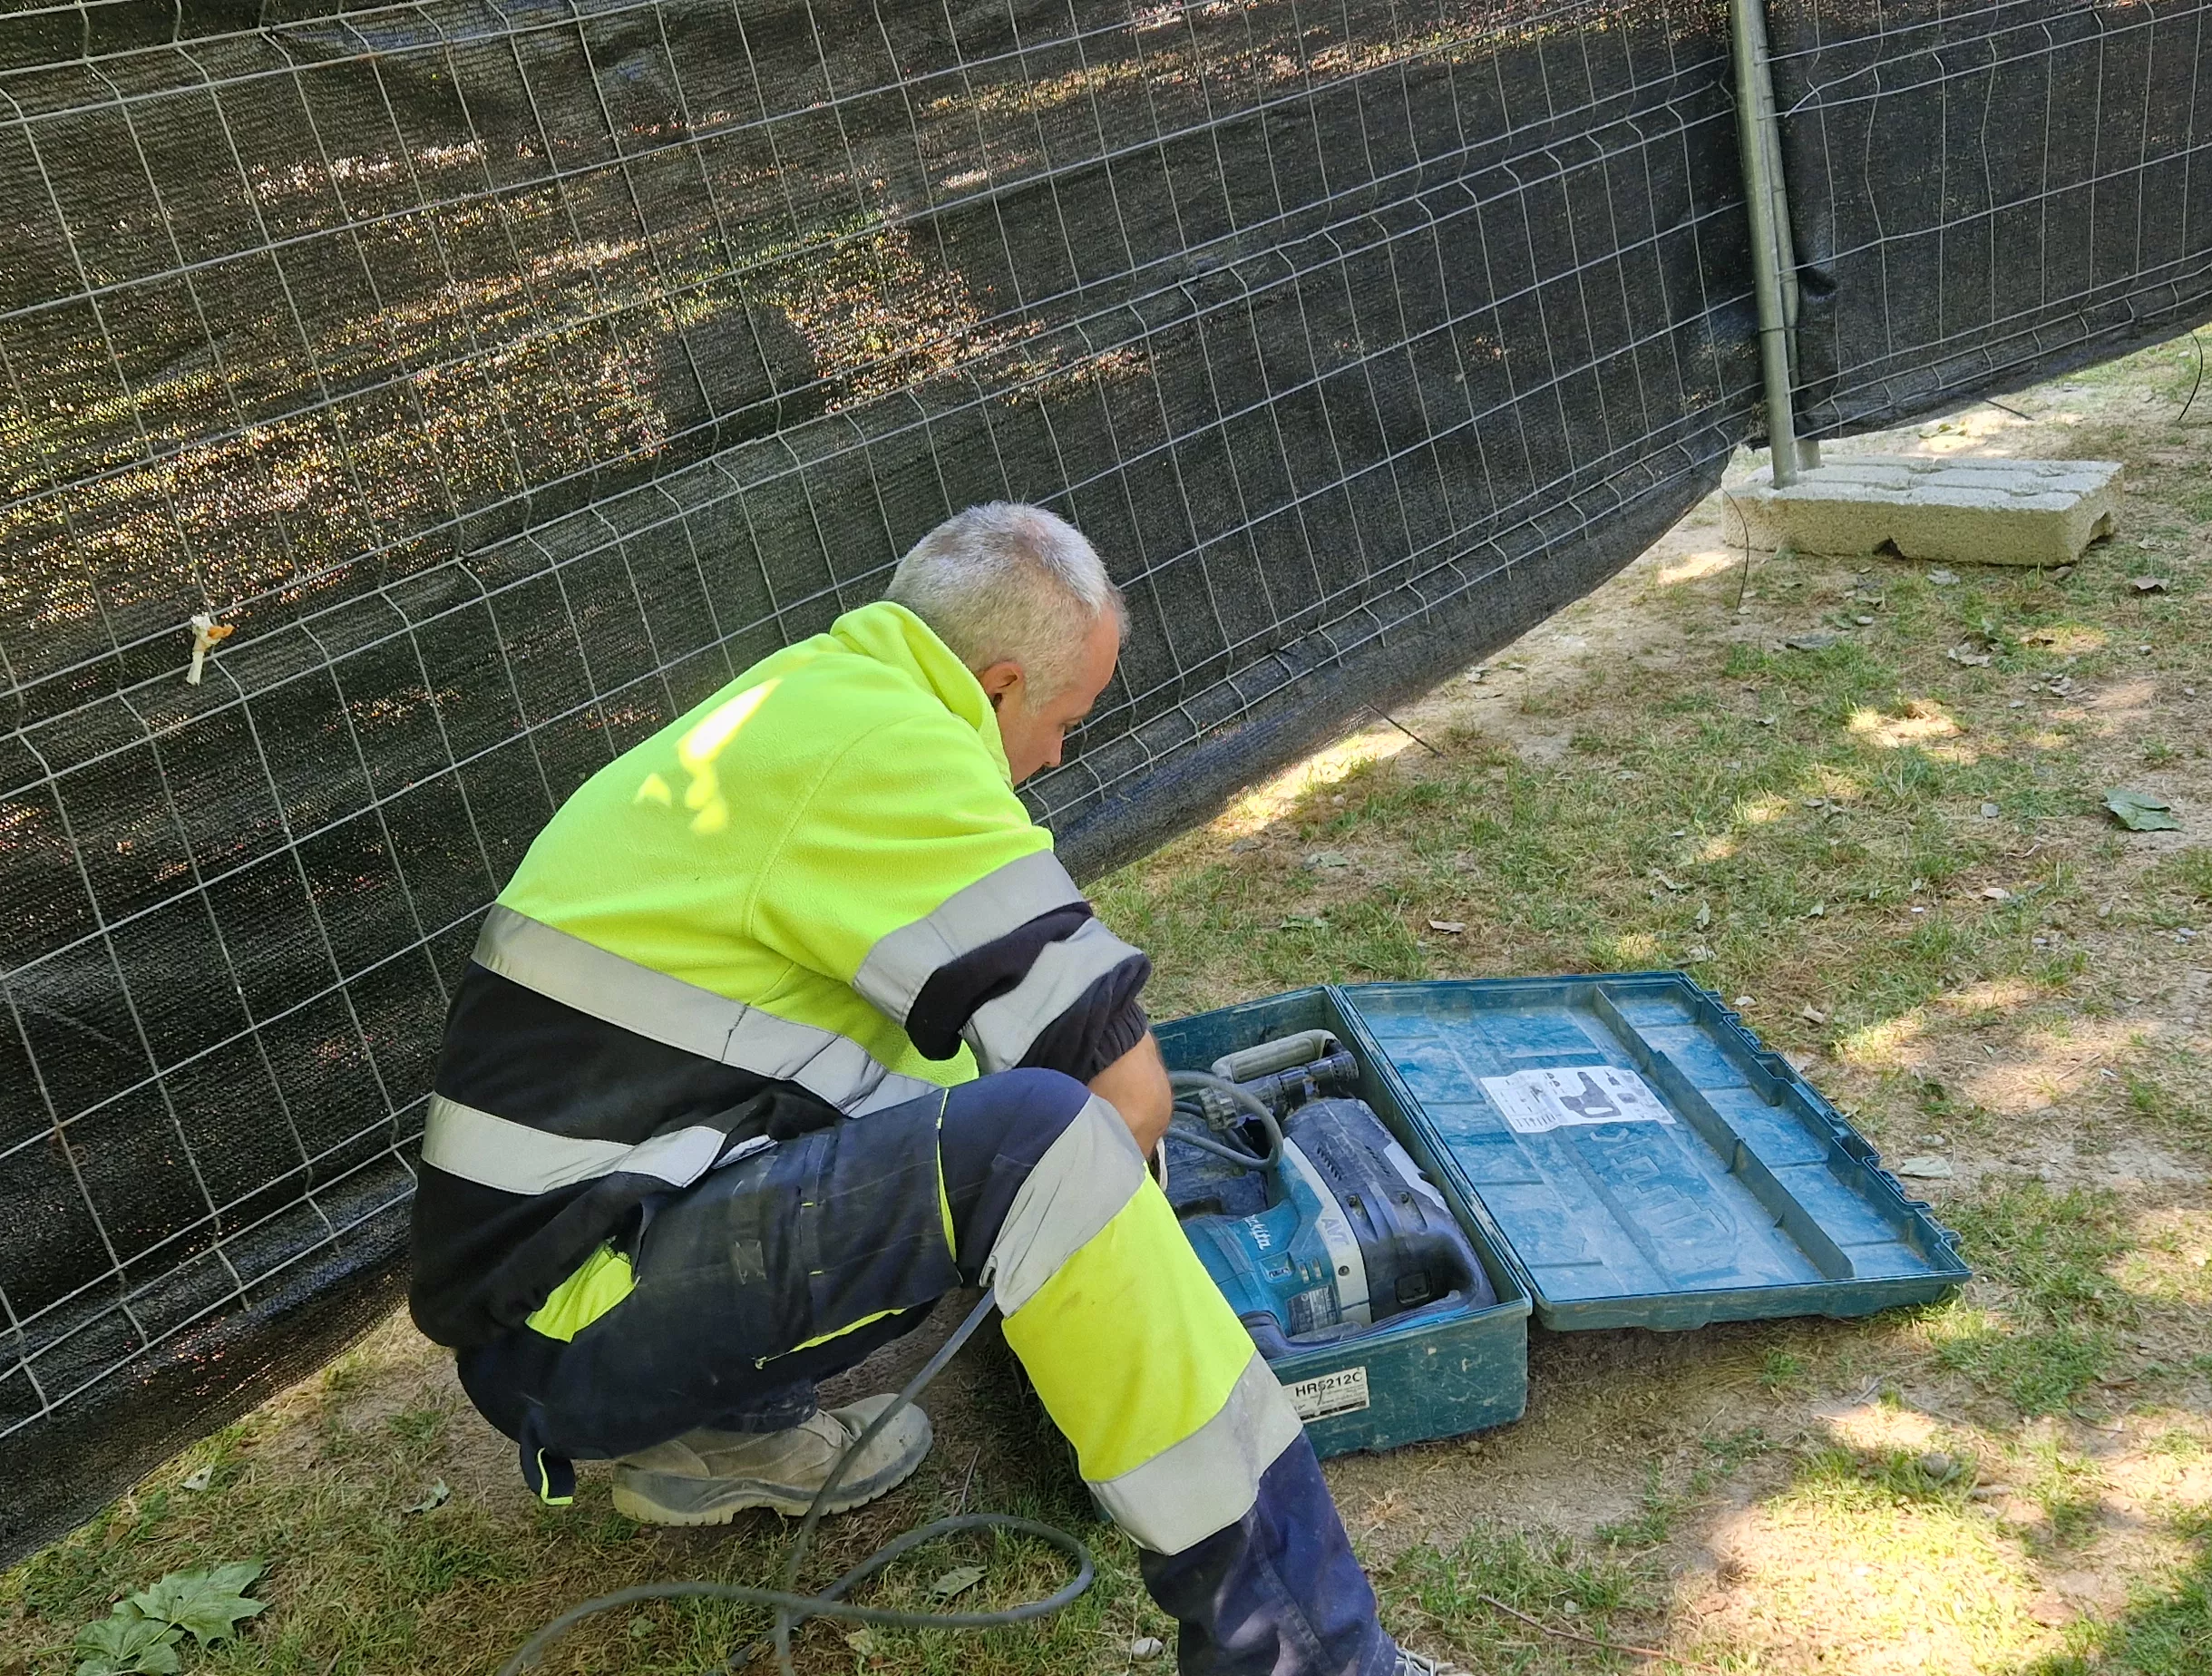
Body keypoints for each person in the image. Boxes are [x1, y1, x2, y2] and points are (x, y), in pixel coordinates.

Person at [408, 503, 1441, 1676]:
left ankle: (716, 1437)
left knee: (954, 1088)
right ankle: (1316, 1654)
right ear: (999, 686)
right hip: (571, 1320)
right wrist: (1138, 1274)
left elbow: (954, 1044)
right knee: (1042, 1149)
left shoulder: (818, 701)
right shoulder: (895, 756)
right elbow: (1126, 1094)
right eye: (1064, 720)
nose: (1056, 756)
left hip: (548, 1282)